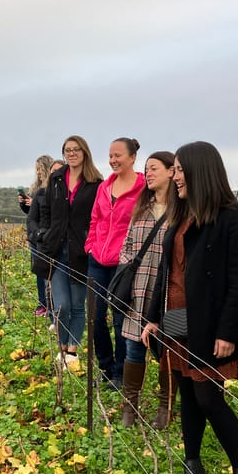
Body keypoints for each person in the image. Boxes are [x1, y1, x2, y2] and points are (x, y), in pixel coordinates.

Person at [141, 142, 238, 474]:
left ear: (199, 170)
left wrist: (227, 331)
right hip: (177, 315)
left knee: (209, 396)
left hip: (209, 320)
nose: (174, 177)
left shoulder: (233, 216)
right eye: (172, 170)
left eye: (178, 170)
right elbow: (168, 272)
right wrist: (155, 318)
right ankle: (194, 466)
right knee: (186, 392)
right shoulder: (181, 214)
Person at [119, 150, 177, 427]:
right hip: (139, 290)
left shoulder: (184, 209)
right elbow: (128, 244)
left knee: (168, 350)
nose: (149, 173)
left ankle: (166, 408)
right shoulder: (142, 207)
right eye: (147, 169)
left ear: (171, 171)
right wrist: (128, 267)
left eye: (154, 168)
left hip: (169, 290)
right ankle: (129, 407)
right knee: (133, 348)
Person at [35, 136, 103, 368]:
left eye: (76, 150)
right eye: (67, 150)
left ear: (85, 152)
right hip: (57, 250)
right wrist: (44, 233)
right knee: (61, 305)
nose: (71, 154)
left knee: (77, 305)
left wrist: (91, 241)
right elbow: (46, 210)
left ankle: (71, 352)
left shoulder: (95, 183)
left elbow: (99, 216)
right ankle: (62, 346)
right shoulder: (56, 178)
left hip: (81, 252)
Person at [85, 138, 144, 389]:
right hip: (97, 260)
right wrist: (90, 246)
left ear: (132, 158)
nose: (113, 160)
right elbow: (95, 219)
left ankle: (121, 372)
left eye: (118, 155)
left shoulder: (143, 188)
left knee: (121, 319)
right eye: (110, 156)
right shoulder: (104, 187)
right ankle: (106, 367)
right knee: (96, 318)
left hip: (124, 264)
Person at [23, 154, 56, 317]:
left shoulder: (52, 188)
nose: (37, 172)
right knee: (40, 272)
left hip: (46, 237)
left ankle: (50, 306)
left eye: (39, 168)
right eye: (36, 169)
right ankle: (43, 303)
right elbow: (32, 215)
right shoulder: (36, 189)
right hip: (35, 235)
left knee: (47, 273)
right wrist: (25, 205)